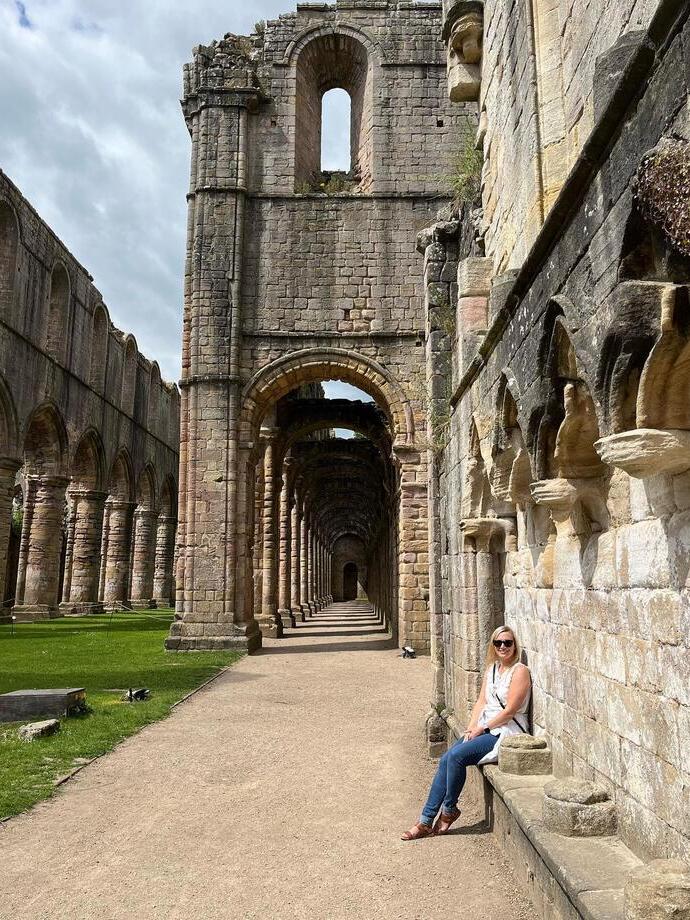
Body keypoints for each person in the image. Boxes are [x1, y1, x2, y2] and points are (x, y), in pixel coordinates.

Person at [401, 625, 531, 840]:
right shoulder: (492, 670)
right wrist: (471, 728)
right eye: (498, 643)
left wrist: (483, 728)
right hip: (483, 727)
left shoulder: (520, 671)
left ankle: (449, 809)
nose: (503, 647)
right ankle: (425, 820)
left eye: (508, 642)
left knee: (456, 756)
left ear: (515, 645)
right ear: (493, 645)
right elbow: (481, 701)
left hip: (505, 731)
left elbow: (510, 711)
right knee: (445, 759)